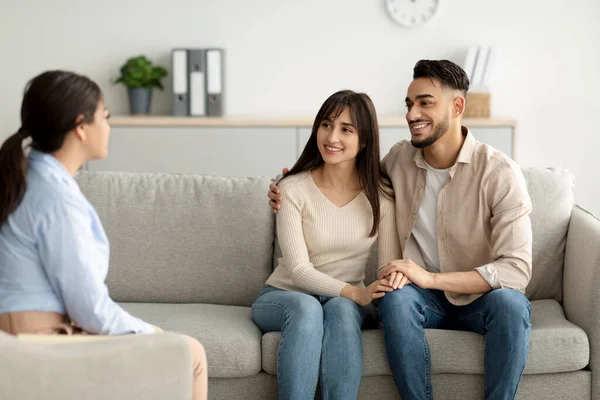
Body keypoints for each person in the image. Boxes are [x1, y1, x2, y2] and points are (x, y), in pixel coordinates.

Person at [268, 60, 533, 400]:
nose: (411, 114)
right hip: (423, 300)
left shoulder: (499, 173)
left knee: (512, 304)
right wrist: (286, 185)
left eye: (425, 102)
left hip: (480, 299)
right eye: (409, 104)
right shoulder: (398, 161)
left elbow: (516, 270)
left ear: (457, 107)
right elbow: (346, 175)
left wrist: (430, 278)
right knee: (395, 299)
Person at [0, 70, 208, 400]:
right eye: (105, 117)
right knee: (189, 355)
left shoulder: (25, 175)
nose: (109, 127)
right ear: (81, 127)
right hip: (35, 341)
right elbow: (88, 307)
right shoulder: (56, 197)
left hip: (19, 333)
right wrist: (150, 331)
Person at [252, 90, 401, 400]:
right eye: (326, 124)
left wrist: (383, 285)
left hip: (345, 301)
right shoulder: (292, 188)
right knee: (308, 306)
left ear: (363, 141)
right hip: (285, 295)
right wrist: (355, 292)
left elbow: (387, 266)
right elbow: (298, 271)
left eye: (346, 129)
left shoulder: (381, 194)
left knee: (343, 310)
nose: (332, 136)